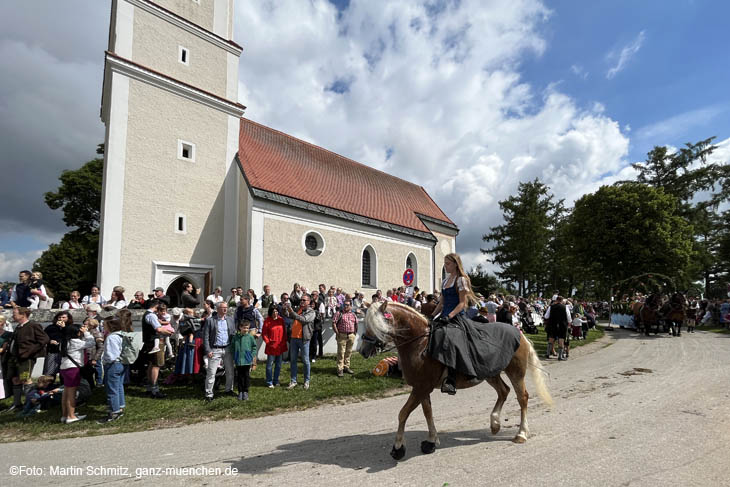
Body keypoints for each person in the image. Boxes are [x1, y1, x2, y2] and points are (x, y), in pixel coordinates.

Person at [428, 253, 521, 395]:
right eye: (445, 263)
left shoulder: (461, 280)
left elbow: (462, 303)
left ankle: (451, 379)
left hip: (457, 317)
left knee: (451, 338)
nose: (445, 266)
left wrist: (450, 316)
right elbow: (442, 302)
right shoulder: (446, 281)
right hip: (444, 317)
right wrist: (432, 316)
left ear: (455, 264)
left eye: (448, 263)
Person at [5, 307, 49, 412]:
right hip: (15, 357)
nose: (13, 316)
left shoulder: (33, 325)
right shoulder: (19, 327)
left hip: (26, 358)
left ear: (23, 315)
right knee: (15, 379)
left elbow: (44, 339)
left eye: (15, 313)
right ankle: (17, 404)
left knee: (25, 379)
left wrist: (30, 351)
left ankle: (29, 402)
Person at [59, 321, 95, 423]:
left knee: (65, 393)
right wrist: (87, 333)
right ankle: (71, 416)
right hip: (73, 369)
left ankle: (65, 414)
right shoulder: (75, 341)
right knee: (72, 394)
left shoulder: (65, 341)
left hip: (64, 368)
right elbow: (91, 343)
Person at [202, 302, 237, 402]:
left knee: (230, 371)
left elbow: (233, 334)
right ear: (217, 309)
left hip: (228, 348)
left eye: (226, 307)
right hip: (215, 349)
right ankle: (209, 393)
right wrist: (208, 350)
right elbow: (205, 337)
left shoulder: (230, 320)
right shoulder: (210, 320)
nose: (225, 309)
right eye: (223, 308)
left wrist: (234, 348)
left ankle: (229, 389)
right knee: (211, 372)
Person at [97, 317, 127, 423]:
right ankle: (120, 406)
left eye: (104, 324)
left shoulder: (111, 337)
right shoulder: (122, 334)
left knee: (111, 389)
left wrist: (105, 361)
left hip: (113, 364)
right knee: (118, 386)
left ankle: (114, 411)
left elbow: (111, 354)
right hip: (122, 362)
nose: (103, 326)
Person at [282, 293, 314, 390]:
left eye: (304, 300)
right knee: (293, 361)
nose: (302, 302)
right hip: (294, 338)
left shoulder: (311, 312)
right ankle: (293, 381)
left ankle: (306, 381)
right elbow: (288, 315)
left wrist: (291, 311)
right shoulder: (298, 310)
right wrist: (285, 309)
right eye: (301, 300)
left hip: (304, 339)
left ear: (309, 302)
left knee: (305, 361)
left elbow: (303, 319)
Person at [142, 301, 173, 398]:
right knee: (157, 365)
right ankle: (154, 390)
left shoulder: (147, 314)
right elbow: (158, 329)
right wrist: (169, 331)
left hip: (149, 341)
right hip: (155, 342)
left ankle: (149, 388)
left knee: (151, 364)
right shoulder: (152, 316)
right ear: (156, 306)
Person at [231, 321, 257, 401]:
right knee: (239, 377)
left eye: (247, 328)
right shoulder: (236, 337)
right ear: (240, 327)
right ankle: (240, 392)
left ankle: (245, 391)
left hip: (247, 360)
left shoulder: (250, 337)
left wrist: (251, 355)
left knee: (246, 376)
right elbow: (232, 347)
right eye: (244, 328)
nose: (246, 329)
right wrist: (234, 356)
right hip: (238, 360)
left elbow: (254, 347)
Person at [262, 306, 287, 387]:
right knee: (270, 364)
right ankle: (269, 381)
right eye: (273, 311)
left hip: (280, 345)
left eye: (276, 311)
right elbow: (264, 333)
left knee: (278, 364)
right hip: (271, 346)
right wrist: (268, 342)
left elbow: (284, 332)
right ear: (270, 312)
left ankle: (276, 380)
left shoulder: (281, 320)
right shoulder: (267, 321)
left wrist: (283, 342)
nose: (275, 313)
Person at [332, 300, 359, 377]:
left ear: (350, 306)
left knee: (348, 352)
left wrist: (354, 333)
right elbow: (333, 323)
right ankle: (340, 369)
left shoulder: (353, 314)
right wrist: (337, 333)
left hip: (351, 335)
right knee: (341, 353)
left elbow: (356, 324)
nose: (346, 306)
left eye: (347, 305)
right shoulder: (339, 313)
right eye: (345, 305)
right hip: (342, 335)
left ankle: (346, 367)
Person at [43, 311, 72, 379]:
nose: (61, 319)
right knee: (50, 371)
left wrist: (64, 328)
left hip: (66, 352)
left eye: (63, 317)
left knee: (64, 372)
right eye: (59, 317)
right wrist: (49, 341)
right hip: (53, 351)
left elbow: (71, 336)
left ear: (68, 318)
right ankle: (49, 386)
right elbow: (43, 336)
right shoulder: (51, 327)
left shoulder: (71, 327)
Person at [544, 296, 571, 361]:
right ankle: (560, 356)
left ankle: (547, 354)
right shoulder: (565, 307)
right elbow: (569, 318)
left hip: (553, 324)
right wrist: (569, 323)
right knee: (561, 339)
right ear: (562, 301)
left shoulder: (551, 307)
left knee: (551, 338)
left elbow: (546, 316)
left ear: (556, 300)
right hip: (562, 325)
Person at [309, 290, 325, 362]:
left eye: (314, 294)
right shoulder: (310, 303)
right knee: (312, 341)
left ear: (317, 295)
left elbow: (321, 315)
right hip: (310, 327)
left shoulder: (320, 303)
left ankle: (319, 354)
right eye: (312, 294)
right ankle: (311, 355)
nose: (312, 295)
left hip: (317, 326)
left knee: (318, 340)